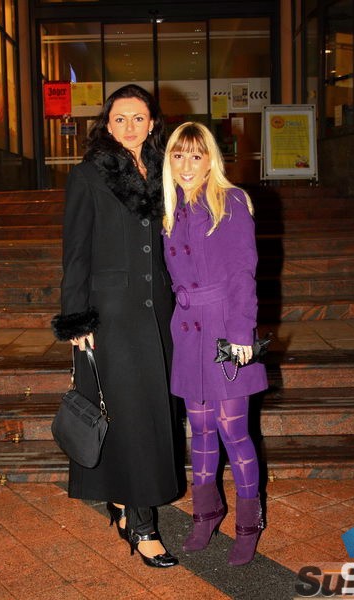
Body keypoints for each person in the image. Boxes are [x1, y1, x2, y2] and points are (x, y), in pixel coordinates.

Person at [51, 84, 180, 569]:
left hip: (160, 311)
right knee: (131, 414)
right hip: (111, 315)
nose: (129, 126)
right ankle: (142, 525)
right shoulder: (88, 175)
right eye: (120, 118)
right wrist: (76, 318)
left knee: (154, 410)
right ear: (107, 124)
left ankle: (125, 503)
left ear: (152, 123)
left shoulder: (166, 170)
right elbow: (75, 251)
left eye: (138, 118)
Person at [161, 121, 268, 566]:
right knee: (200, 428)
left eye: (196, 155)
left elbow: (243, 270)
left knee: (232, 430)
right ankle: (206, 514)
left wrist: (243, 334)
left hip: (226, 327)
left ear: (210, 160)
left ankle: (249, 522)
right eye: (178, 155)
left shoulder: (230, 200)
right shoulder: (170, 208)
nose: (186, 165)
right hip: (188, 329)